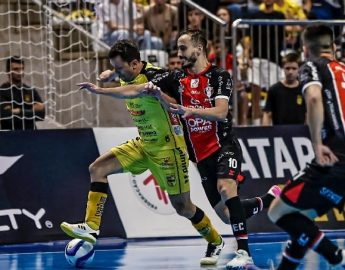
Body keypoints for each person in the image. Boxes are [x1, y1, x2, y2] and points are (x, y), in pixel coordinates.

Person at [60, 39, 225, 265]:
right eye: (116, 68)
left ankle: (215, 240)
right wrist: (110, 74)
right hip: (144, 144)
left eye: (120, 68)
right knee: (97, 168)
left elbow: (132, 92)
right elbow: (123, 79)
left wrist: (99, 89)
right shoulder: (127, 73)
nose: (118, 72)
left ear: (136, 63)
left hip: (169, 150)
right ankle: (91, 228)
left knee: (183, 208)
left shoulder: (156, 78)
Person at [142, 29, 281, 268]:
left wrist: (191, 111)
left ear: (199, 48)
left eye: (182, 48)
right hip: (200, 155)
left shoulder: (219, 76)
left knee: (226, 188)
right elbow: (139, 73)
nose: (178, 53)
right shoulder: (176, 79)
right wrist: (104, 86)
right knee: (227, 217)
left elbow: (221, 113)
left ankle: (244, 254)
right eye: (177, 48)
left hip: (224, 144)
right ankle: (266, 200)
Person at [268, 24, 345, 270]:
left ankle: (335, 255)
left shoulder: (312, 66)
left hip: (335, 158)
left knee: (277, 212)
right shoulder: (343, 69)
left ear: (304, 50)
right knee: (302, 222)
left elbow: (312, 97)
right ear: (333, 48)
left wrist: (317, 143)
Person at [0, 56, 45, 130]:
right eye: (16, 69)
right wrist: (32, 111)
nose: (20, 72)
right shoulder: (2, 91)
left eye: (22, 69)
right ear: (8, 71)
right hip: (10, 135)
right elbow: (7, 117)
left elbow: (41, 115)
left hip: (31, 134)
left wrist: (19, 111)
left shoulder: (30, 90)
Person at [262, 52, 305, 126]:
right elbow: (267, 114)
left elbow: (308, 114)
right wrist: (265, 133)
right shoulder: (274, 90)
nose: (290, 72)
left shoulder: (304, 89)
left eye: (294, 68)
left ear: (299, 69)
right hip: (279, 133)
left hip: (300, 133)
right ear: (283, 68)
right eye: (287, 68)